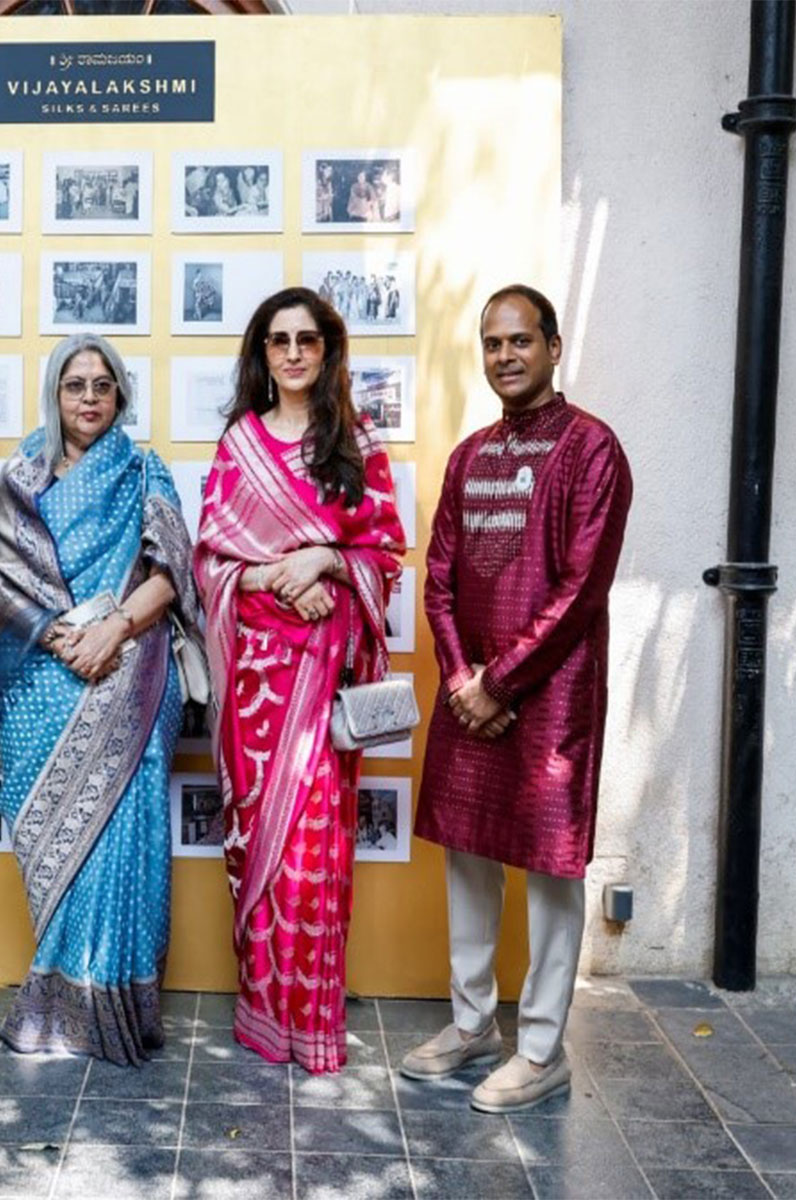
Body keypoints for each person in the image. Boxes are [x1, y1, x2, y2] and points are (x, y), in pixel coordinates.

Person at [405, 284, 632, 1112]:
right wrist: (467, 679)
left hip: (552, 694)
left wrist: (497, 682)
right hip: (476, 692)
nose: (505, 357)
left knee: (548, 865)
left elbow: (581, 588)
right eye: (492, 343)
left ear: (554, 347)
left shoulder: (592, 450)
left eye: (520, 341)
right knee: (466, 853)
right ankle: (474, 1026)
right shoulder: (470, 456)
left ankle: (541, 1047)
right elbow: (437, 579)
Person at [194, 287, 405, 1074]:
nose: (291, 354)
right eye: (277, 341)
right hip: (255, 687)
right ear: (261, 354)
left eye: (305, 341)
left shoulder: (355, 443)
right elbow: (211, 561)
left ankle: (312, 1023)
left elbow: (385, 553)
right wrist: (274, 581)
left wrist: (325, 562)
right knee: (261, 853)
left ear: (327, 351)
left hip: (322, 683)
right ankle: (261, 1017)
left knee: (315, 854)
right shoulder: (239, 445)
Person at [0, 332, 200, 1065]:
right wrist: (60, 637)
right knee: (55, 844)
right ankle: (60, 1001)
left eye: (103, 385)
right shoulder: (24, 473)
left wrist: (112, 630)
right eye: (75, 385)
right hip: (42, 679)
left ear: (120, 394)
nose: (89, 399)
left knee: (121, 841)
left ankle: (112, 1011)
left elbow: (172, 574)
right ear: (55, 391)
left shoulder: (143, 471)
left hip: (130, 680)